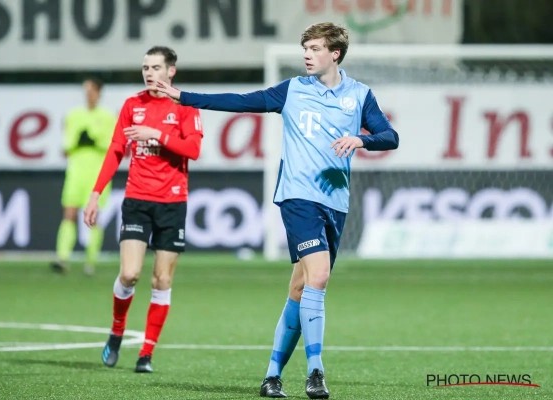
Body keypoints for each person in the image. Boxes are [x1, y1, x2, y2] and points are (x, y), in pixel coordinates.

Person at [155, 22, 399, 399]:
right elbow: (241, 101)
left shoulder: (359, 95)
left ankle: (272, 376)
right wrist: (184, 96)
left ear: (334, 54)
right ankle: (315, 372)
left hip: (335, 202)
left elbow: (390, 136)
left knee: (301, 288)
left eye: (315, 49)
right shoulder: (292, 90)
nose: (307, 55)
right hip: (298, 198)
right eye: (305, 48)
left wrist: (360, 139)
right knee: (319, 276)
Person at [83, 46, 204, 373]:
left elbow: (193, 149)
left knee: (162, 279)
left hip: (172, 203)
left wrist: (156, 134)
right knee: (130, 274)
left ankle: (146, 353)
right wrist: (95, 193)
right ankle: (117, 331)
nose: (149, 73)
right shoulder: (132, 105)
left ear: (171, 71)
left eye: (155, 67)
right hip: (137, 199)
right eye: (145, 67)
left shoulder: (185, 105)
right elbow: (115, 150)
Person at [52, 78, 116, 276]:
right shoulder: (73, 116)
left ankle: (90, 261)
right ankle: (62, 258)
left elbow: (114, 145)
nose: (89, 95)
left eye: (92, 91)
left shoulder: (108, 117)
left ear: (99, 93)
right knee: (69, 213)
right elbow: (66, 147)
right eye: (86, 91)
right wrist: (77, 142)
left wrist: (94, 141)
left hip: (97, 173)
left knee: (93, 217)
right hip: (76, 172)